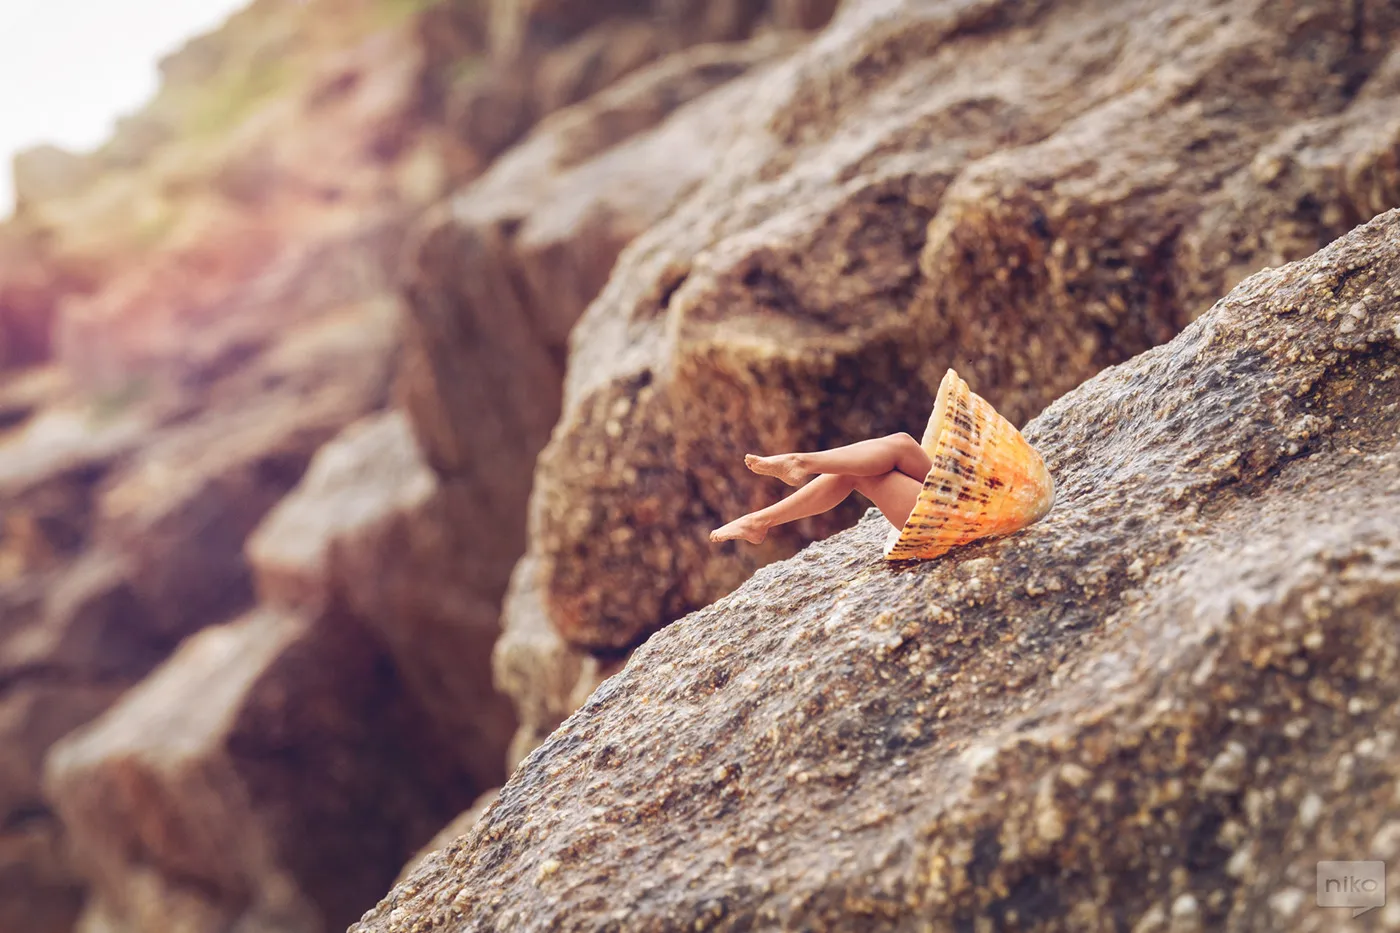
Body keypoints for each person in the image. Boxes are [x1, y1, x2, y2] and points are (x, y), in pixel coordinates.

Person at [709, 433, 930, 545]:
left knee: (854, 471)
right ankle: (760, 519)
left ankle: (760, 519)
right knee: (903, 443)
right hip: (954, 495)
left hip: (959, 519)